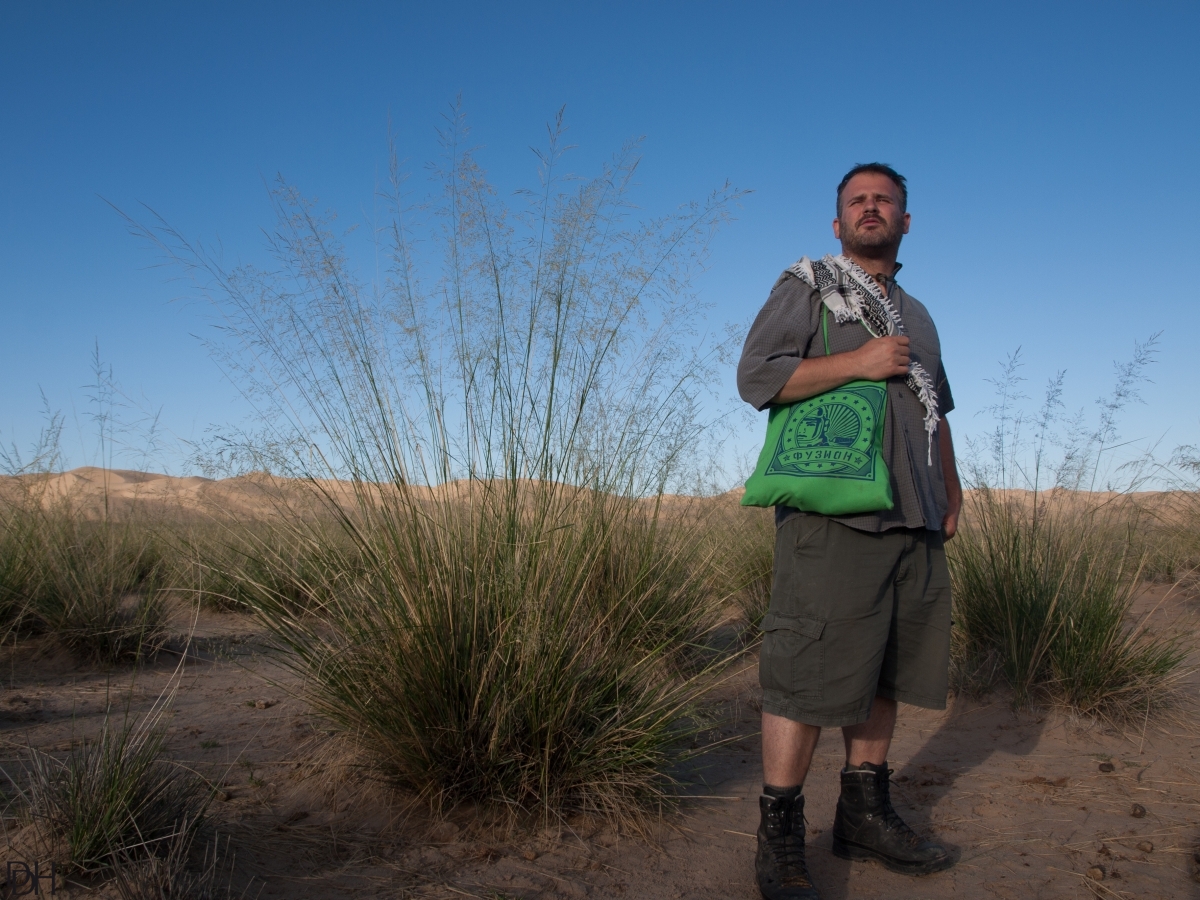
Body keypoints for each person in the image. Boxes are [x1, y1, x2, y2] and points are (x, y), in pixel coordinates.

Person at [736, 163, 962, 900]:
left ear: (905, 219)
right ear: (838, 223)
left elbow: (937, 412)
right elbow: (757, 376)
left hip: (914, 514)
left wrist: (951, 487)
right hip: (833, 516)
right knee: (805, 671)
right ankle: (780, 833)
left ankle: (863, 814)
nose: (871, 208)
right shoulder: (808, 288)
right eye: (857, 201)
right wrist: (858, 362)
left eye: (883, 200)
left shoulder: (918, 314)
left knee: (885, 669)